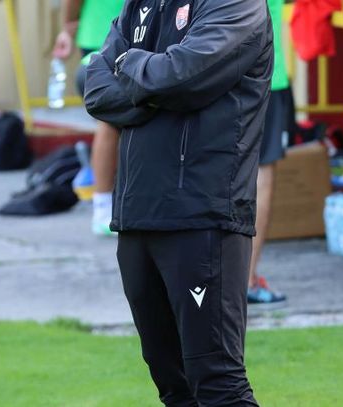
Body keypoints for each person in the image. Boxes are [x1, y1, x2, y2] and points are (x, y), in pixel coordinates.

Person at [85, 0, 273, 405]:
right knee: (173, 385)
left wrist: (130, 63)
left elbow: (180, 77)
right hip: (136, 216)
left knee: (218, 382)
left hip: (202, 214)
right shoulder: (138, 4)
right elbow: (96, 90)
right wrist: (151, 83)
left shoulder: (236, 4)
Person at [53, 0, 124, 236]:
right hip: (103, 37)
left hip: (119, 34)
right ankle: (103, 208)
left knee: (120, 121)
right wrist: (68, 26)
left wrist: (67, 27)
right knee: (110, 119)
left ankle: (109, 203)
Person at [247, 0, 289, 306]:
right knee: (261, 174)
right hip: (265, 73)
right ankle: (245, 279)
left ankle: (215, 278)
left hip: (213, 71)